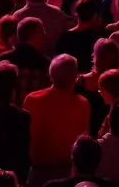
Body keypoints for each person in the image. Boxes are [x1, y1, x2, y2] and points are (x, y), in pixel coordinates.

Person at [24, 55, 92, 186]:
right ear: (74, 77)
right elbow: (85, 138)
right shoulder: (82, 103)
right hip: (67, 173)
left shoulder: (32, 99)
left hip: (38, 171)